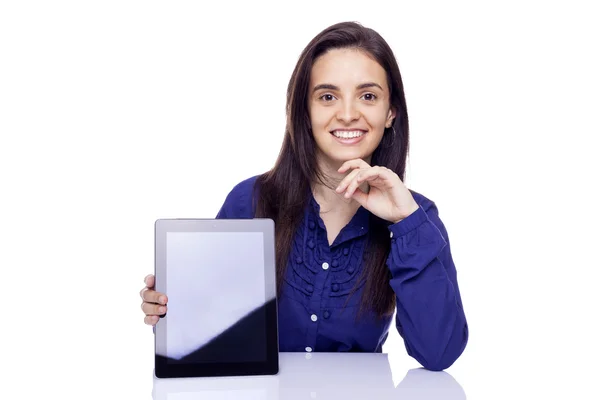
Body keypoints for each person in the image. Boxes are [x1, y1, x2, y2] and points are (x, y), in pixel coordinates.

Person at [139, 21, 468, 371]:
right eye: (327, 97)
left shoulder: (416, 216)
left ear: (391, 113)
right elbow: (210, 329)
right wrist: (172, 309)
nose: (347, 114)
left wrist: (406, 222)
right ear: (304, 111)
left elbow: (438, 353)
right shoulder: (250, 201)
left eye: (368, 96)